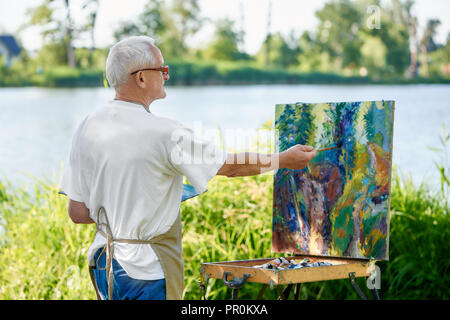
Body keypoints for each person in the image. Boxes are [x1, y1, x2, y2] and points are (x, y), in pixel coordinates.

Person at [60, 35, 318, 300]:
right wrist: (282, 160)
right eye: (162, 69)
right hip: (147, 272)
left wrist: (127, 210)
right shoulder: (164, 132)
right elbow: (228, 166)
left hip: (105, 263)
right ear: (140, 78)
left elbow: (78, 212)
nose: (167, 75)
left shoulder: (88, 126)